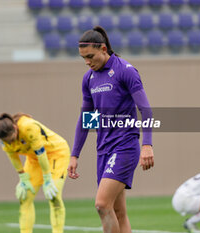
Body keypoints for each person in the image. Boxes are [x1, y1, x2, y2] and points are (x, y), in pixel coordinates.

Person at [68, 26, 154, 233]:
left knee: (101, 204)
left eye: (90, 56)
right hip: (103, 150)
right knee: (118, 212)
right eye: (83, 58)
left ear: (103, 49)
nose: (87, 62)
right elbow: (87, 119)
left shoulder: (125, 70)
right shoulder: (89, 79)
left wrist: (147, 145)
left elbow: (146, 110)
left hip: (125, 146)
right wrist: (74, 154)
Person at [0, 113, 70, 233]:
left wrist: (47, 179)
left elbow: (42, 154)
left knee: (53, 196)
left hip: (57, 153)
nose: (10, 143)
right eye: (7, 142)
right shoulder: (5, 141)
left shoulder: (28, 127)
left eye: (12, 139)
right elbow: (13, 157)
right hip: (34, 159)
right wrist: (22, 177)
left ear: (15, 128)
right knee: (25, 197)